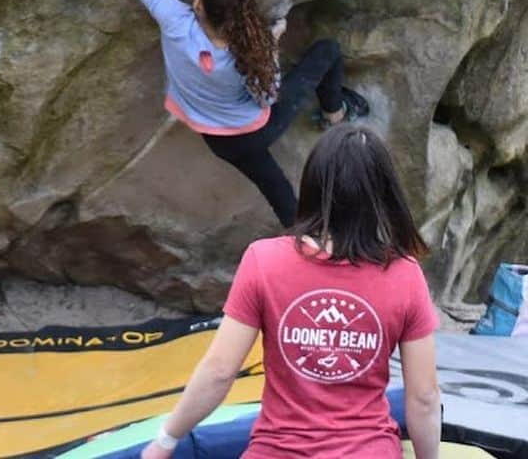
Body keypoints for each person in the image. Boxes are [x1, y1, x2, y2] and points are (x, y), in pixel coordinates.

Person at [62, 0, 368, 226]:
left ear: (197, 4)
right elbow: (269, 98)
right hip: (254, 130)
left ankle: (305, 245)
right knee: (327, 51)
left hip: (216, 138)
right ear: (247, 10)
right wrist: (273, 41)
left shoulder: (173, 22)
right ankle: (334, 114)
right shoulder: (250, 56)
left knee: (277, 188)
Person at [140, 124, 441, 459]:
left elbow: (219, 371)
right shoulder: (404, 274)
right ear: (385, 196)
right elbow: (425, 397)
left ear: (311, 186)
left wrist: (165, 441)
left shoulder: (263, 260)